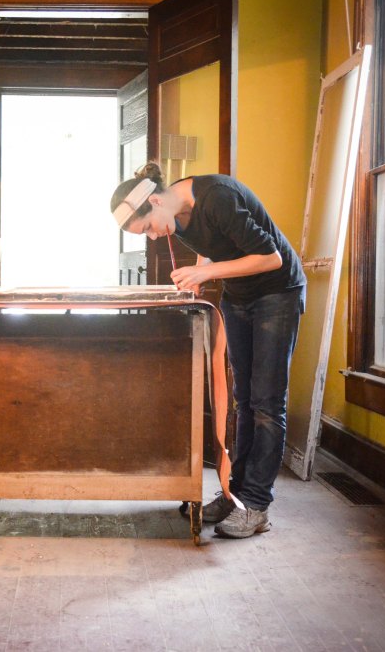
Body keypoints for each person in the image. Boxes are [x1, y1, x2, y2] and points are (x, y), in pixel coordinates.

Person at [109, 163, 305, 539]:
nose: (152, 238)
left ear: (154, 201)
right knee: (243, 400)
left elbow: (271, 258)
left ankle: (257, 505)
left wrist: (206, 274)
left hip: (278, 293)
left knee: (266, 403)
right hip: (241, 296)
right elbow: (209, 245)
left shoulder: (218, 198)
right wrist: (197, 279)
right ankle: (236, 494)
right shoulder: (174, 216)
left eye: (148, 227)